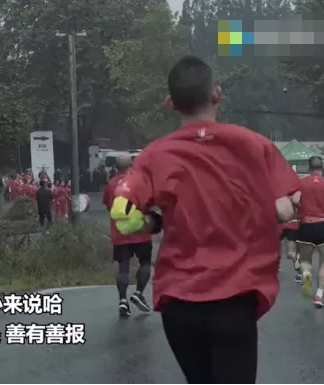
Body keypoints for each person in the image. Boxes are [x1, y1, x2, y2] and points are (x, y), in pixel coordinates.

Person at [109, 56, 300, 384]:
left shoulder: (155, 155)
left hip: (179, 302)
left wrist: (150, 221)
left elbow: (126, 208)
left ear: (171, 103)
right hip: (234, 296)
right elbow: (286, 208)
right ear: (217, 95)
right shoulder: (254, 146)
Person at [102, 153, 153, 317]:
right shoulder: (140, 182)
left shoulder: (111, 184)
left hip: (120, 233)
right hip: (140, 232)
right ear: (131, 164)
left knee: (123, 268)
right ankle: (138, 293)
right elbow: (149, 203)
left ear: (116, 167)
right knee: (145, 263)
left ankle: (122, 301)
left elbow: (109, 206)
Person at [294, 156, 324, 307]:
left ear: (309, 168)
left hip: (306, 224)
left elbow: (295, 200)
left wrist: (301, 209)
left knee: (306, 260)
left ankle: (306, 274)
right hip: (323, 226)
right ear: (322, 168)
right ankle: (319, 296)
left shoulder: (301, 182)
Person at [280, 217, 302, 283]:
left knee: (291, 253)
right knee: (298, 252)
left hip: (288, 225)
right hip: (300, 224)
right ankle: (301, 272)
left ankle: (299, 270)